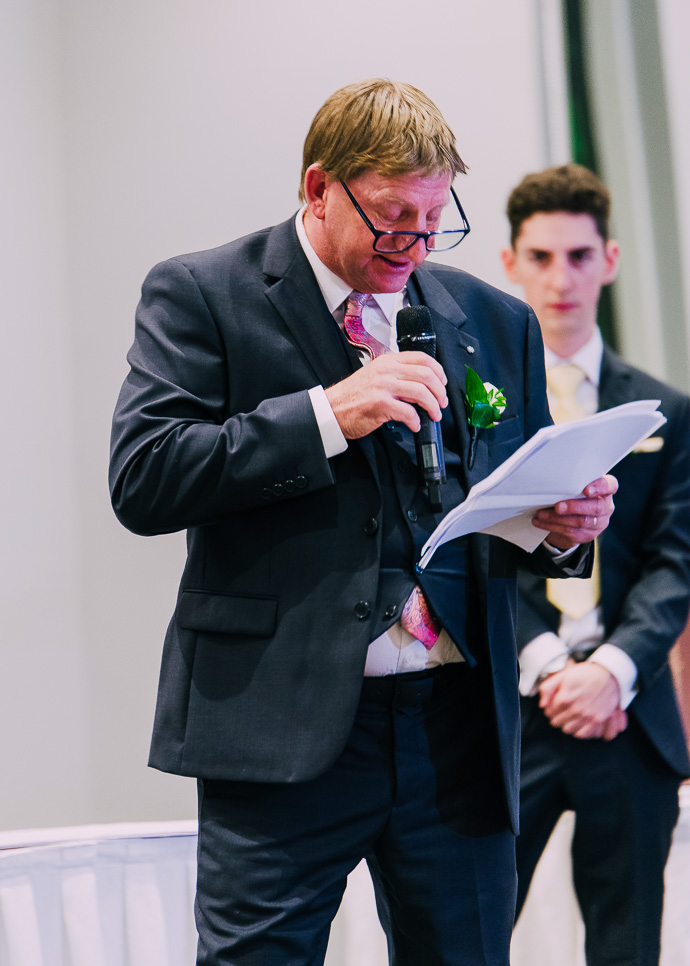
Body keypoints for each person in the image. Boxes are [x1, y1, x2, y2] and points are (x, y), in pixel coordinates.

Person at [109, 82, 616, 966]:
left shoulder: (493, 319)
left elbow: (515, 507)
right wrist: (323, 417)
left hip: (456, 726)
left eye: (433, 220)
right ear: (317, 189)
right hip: (281, 724)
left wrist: (566, 524)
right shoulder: (203, 293)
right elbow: (145, 478)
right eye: (391, 220)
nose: (413, 247)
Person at [502, 162, 690, 966]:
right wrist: (548, 667)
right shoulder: (483, 405)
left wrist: (612, 671)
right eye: (541, 257)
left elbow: (674, 562)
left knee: (628, 946)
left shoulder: (663, 409)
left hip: (626, 711)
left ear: (609, 260)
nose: (561, 278)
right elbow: (466, 555)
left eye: (579, 256)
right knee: (465, 937)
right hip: (511, 713)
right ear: (510, 264)